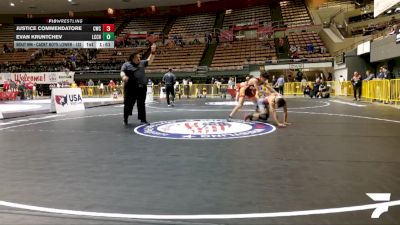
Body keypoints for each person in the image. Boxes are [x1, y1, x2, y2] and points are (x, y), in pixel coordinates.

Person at [121, 43, 156, 125]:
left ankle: (143, 119)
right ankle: (125, 119)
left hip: (142, 88)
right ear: (133, 58)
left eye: (140, 57)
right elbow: (122, 72)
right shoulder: (126, 65)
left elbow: (149, 61)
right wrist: (123, 77)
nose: (139, 58)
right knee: (128, 104)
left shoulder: (142, 63)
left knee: (141, 104)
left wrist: (153, 52)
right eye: (137, 57)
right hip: (130, 88)